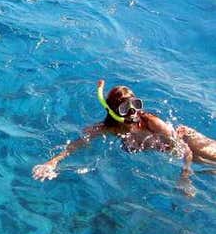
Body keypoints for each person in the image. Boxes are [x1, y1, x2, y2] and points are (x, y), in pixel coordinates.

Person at [32, 80, 216, 196]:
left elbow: (186, 151)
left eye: (136, 104)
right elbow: (76, 145)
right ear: (114, 112)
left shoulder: (152, 123)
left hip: (190, 142)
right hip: (175, 151)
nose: (133, 112)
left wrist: (185, 177)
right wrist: (52, 162)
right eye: (125, 108)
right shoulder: (110, 128)